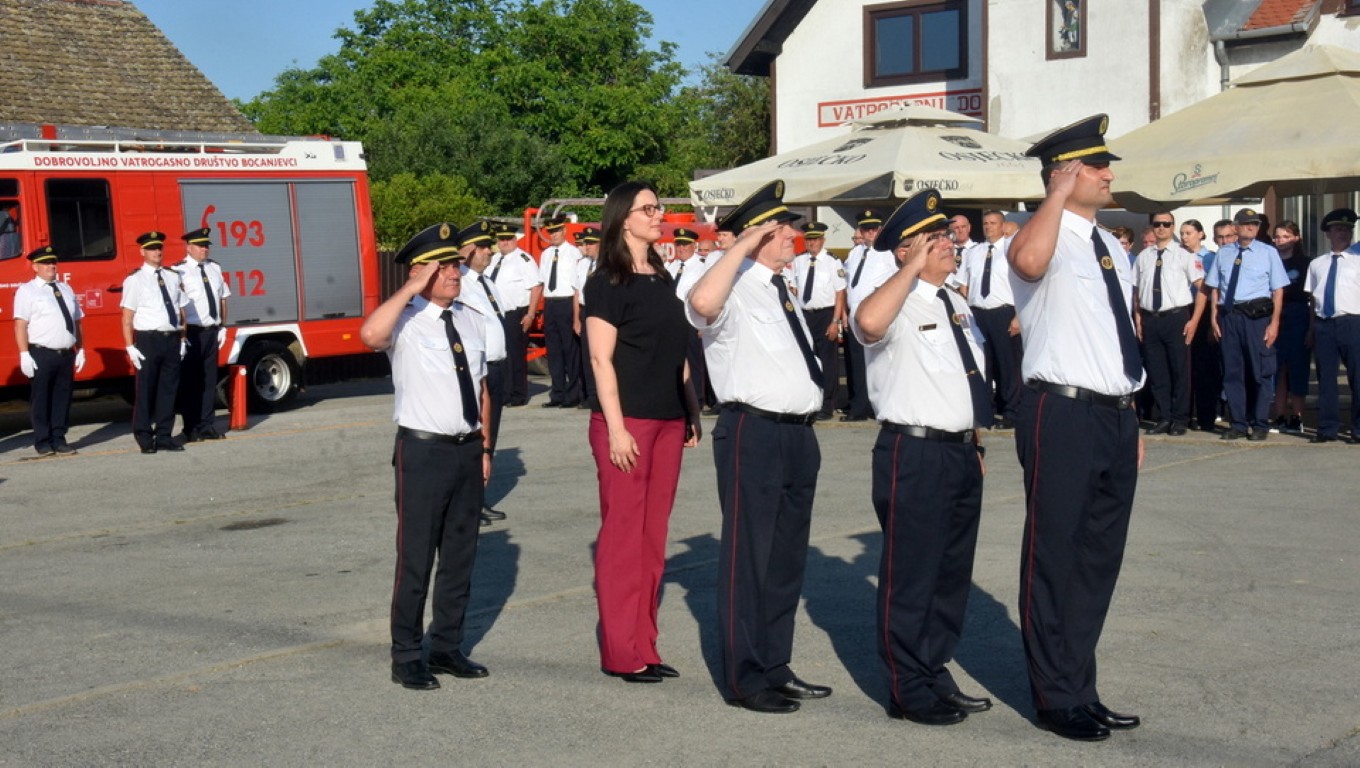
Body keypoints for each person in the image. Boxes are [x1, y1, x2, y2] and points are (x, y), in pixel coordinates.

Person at [1009, 114, 1145, 742]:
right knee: (1055, 555)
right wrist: (1056, 195)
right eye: (1098, 166)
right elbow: (1027, 262)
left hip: (1113, 412)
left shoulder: (1110, 244)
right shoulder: (1041, 232)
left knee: (1096, 561)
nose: (1109, 175)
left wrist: (1130, 415)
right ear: (1065, 173)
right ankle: (1054, 696)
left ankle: (1080, 686)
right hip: (1060, 411)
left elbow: (1114, 335)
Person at [687, 180, 832, 715]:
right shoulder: (731, 283)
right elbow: (701, 304)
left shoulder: (778, 285)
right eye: (784, 228)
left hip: (797, 434)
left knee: (786, 560)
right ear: (759, 233)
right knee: (750, 558)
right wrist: (742, 244)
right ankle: (745, 678)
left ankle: (775, 664)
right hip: (755, 431)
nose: (794, 235)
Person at [853, 190, 992, 727]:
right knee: (911, 575)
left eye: (947, 235)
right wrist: (910, 268)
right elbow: (868, 324)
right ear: (905, 249)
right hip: (913, 451)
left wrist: (974, 443)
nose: (949, 243)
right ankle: (907, 687)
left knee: (949, 575)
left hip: (960, 451)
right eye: (934, 238)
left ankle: (934, 669)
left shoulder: (955, 302)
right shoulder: (892, 297)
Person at [359, 222, 493, 691]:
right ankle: (406, 654)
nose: (455, 273)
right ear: (420, 273)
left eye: (456, 264)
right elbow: (369, 335)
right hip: (423, 451)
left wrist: (485, 447)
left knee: (460, 556)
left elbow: (481, 388)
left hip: (466, 449)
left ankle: (447, 647)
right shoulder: (405, 319)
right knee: (416, 558)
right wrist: (410, 289)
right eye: (443, 267)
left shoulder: (471, 318)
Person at [583, 182, 701, 684]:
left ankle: (645, 645)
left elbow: (676, 353)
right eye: (648, 208)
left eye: (659, 208)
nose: (658, 215)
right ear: (623, 218)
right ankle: (621, 651)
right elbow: (600, 359)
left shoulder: (662, 276)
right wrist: (615, 429)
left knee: (653, 540)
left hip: (669, 421)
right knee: (623, 539)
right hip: (627, 423)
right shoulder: (606, 282)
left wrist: (691, 410)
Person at [1205, 207, 1288, 441]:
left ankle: (1259, 422)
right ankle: (1238, 423)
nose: (1251, 227)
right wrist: (1213, 317)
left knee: (1261, 371)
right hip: (1229, 316)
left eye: (1255, 224)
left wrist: (1274, 323)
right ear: (1236, 227)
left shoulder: (1268, 252)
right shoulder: (1224, 253)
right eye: (1246, 223)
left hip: (1256, 318)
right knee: (1232, 373)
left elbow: (1278, 290)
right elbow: (1215, 287)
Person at [1132, 212, 1205, 435]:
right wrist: (1138, 318)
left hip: (1176, 318)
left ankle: (1180, 418)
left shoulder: (1184, 255)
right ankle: (1164, 416)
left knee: (1179, 370)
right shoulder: (1143, 256)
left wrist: (1194, 320)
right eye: (1157, 224)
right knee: (1157, 372)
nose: (1161, 228)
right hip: (1151, 318)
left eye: (1166, 224)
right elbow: (1137, 291)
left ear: (1173, 227)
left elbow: (1202, 288)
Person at [458, 220, 511, 525]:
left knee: (490, 437)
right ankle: (468, 503)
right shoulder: (460, 282)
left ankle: (479, 497)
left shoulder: (486, 282)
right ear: (469, 250)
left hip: (497, 368)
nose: (489, 251)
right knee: (475, 438)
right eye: (483, 247)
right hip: (479, 369)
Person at [13, 245, 85, 456]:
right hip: (42, 353)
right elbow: (20, 325)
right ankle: (43, 440)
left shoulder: (66, 289)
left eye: (53, 262)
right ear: (35, 267)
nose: (51, 266)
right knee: (41, 398)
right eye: (45, 263)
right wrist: (24, 353)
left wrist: (81, 348)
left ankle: (59, 438)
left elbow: (77, 321)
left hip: (65, 353)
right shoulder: (27, 291)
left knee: (62, 398)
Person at [121, 231, 188, 454]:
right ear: (142, 252)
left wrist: (182, 338)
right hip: (148, 340)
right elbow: (127, 316)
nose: (157, 252)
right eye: (151, 248)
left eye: (159, 248)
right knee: (146, 391)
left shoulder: (172, 276)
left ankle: (164, 435)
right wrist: (130, 346)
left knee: (168, 390)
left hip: (171, 339)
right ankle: (144, 436)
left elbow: (181, 311)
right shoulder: (135, 280)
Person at [958, 210, 1023, 428]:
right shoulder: (974, 252)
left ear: (1003, 225)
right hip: (978, 313)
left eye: (993, 223)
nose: (988, 227)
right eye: (985, 223)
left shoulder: (1012, 248)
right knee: (982, 364)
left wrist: (1018, 317)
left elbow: (1023, 285)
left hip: (1004, 312)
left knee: (1008, 365)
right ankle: (986, 411)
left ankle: (1012, 411)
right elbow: (963, 284)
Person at [1304, 208, 1360, 444]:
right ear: (1328, 234)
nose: (1343, 233)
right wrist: (1311, 329)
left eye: (1347, 229)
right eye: (1338, 229)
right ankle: (1327, 428)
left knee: (1357, 377)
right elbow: (1313, 299)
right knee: (1326, 379)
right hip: (1324, 324)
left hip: (1352, 321)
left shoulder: (1358, 258)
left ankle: (1358, 428)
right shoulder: (1317, 263)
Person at [173, 227, 230, 442]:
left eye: (206, 245)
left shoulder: (215, 268)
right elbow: (177, 307)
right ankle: (191, 427)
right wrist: (182, 335)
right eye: (200, 246)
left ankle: (207, 425)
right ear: (189, 248)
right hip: (192, 333)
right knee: (190, 382)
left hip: (211, 332)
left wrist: (223, 326)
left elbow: (223, 298)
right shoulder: (178, 271)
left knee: (209, 381)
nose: (204, 249)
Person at [790, 221, 846, 420]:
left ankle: (828, 404)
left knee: (828, 361)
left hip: (825, 315)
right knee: (807, 358)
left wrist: (835, 321)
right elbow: (794, 287)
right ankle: (812, 400)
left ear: (823, 240)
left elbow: (840, 292)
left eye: (815, 239)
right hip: (805, 314)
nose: (811, 243)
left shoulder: (832, 262)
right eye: (808, 239)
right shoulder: (799, 260)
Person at [841, 209, 891, 422]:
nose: (870, 233)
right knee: (856, 362)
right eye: (866, 229)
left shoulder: (888, 253)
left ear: (880, 229)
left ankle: (876, 405)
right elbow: (846, 284)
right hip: (854, 313)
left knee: (878, 361)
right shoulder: (855, 253)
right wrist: (844, 312)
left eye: (873, 228)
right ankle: (859, 404)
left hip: (876, 313)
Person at [488, 223, 542, 407]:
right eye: (501, 239)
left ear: (514, 239)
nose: (504, 243)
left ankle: (518, 395)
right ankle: (504, 393)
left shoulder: (523, 260)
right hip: (496, 315)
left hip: (515, 313)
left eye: (508, 239)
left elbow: (536, 287)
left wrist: (530, 314)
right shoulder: (494, 259)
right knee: (499, 355)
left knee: (515, 356)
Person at [1269, 220, 1310, 434]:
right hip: (1273, 315)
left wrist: (1311, 328)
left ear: (1296, 238)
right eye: (1277, 237)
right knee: (1277, 368)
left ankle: (1297, 416)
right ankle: (1279, 416)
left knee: (1297, 368)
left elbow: (1312, 296)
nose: (1281, 240)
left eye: (1286, 236)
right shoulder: (1269, 260)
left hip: (1298, 315)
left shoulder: (1306, 263)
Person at [539, 215, 584, 408]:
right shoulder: (546, 254)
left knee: (570, 350)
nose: (554, 235)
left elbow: (577, 285)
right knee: (554, 350)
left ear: (564, 231)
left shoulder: (574, 253)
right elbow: (542, 282)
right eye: (551, 232)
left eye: (557, 231)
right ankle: (557, 393)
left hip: (567, 302)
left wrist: (576, 314)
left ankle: (573, 394)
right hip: (551, 302)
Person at [1183, 219, 1222, 432]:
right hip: (1183, 309)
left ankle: (1206, 415)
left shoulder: (1210, 258)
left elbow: (1213, 288)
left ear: (1200, 234)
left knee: (1205, 367)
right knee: (1185, 366)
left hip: (1206, 310)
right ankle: (1185, 414)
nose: (1184, 237)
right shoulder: (1178, 255)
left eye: (1189, 233)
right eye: (1182, 233)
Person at [664, 227, 709, 406]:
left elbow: (705, 294)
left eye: (685, 245)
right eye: (678, 245)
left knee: (694, 360)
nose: (681, 248)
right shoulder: (672, 266)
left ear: (693, 246)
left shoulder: (702, 266)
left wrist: (703, 322)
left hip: (691, 318)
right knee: (675, 358)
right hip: (673, 318)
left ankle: (697, 398)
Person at [573, 225, 601, 405]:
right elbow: (577, 293)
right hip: (585, 310)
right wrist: (576, 318)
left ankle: (600, 394)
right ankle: (591, 395)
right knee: (586, 355)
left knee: (600, 354)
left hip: (599, 310)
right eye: (586, 243)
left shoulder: (607, 264)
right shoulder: (582, 264)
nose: (587, 246)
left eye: (591, 243)